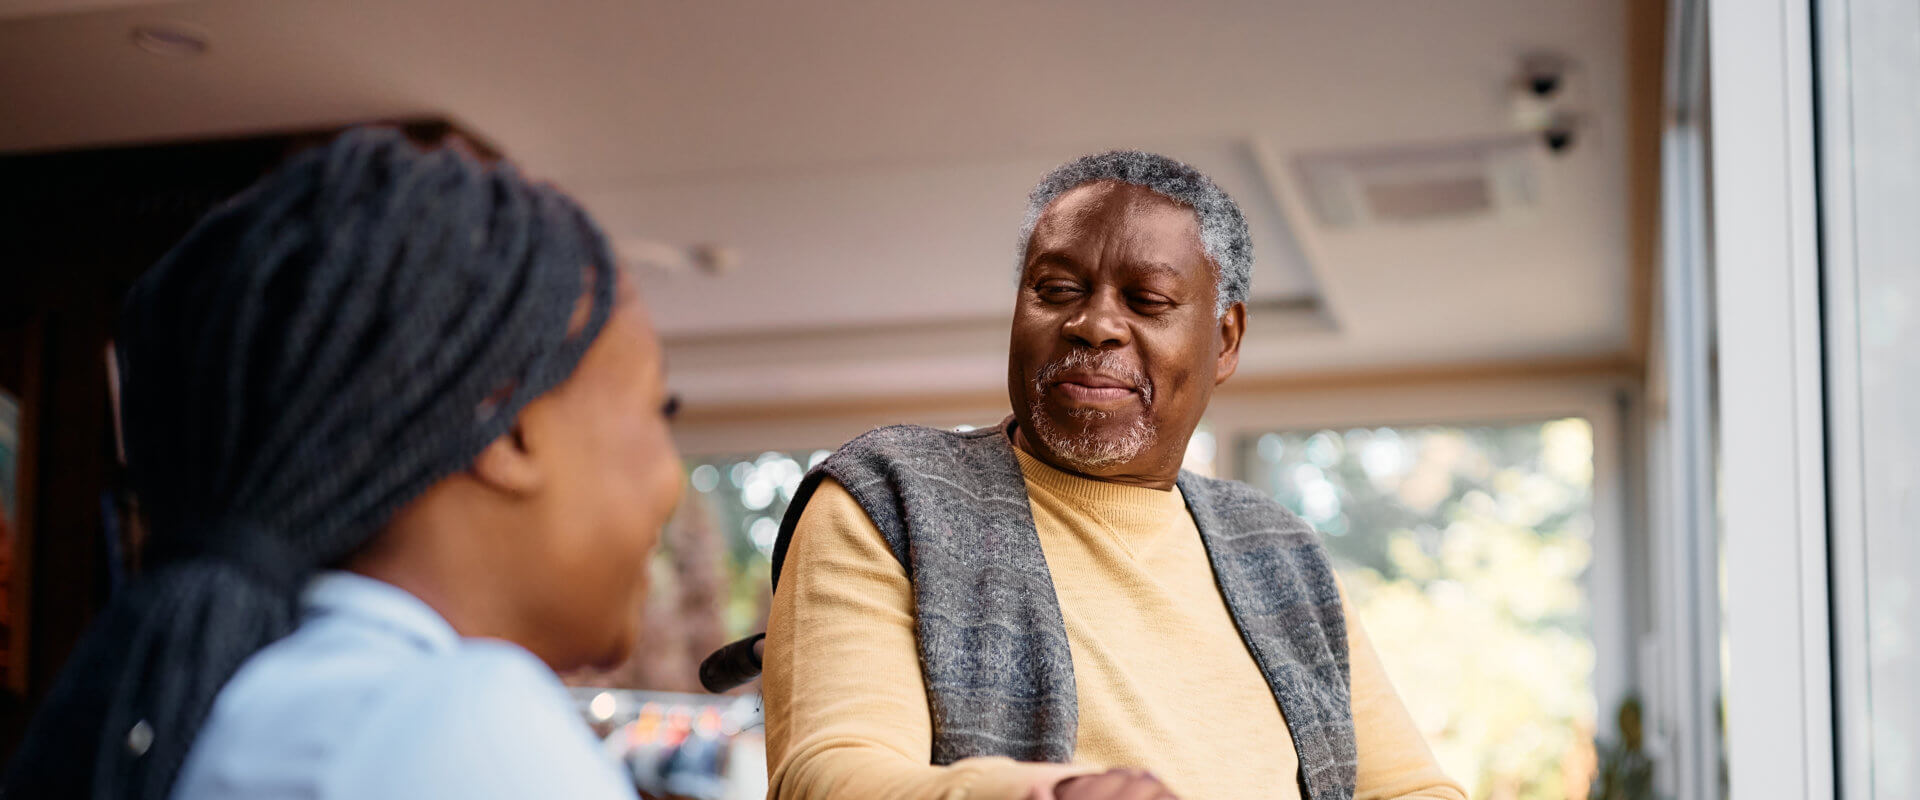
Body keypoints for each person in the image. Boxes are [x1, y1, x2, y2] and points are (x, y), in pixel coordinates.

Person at [757, 152, 1468, 800]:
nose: (1093, 324)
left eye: (1147, 301)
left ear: (1225, 340)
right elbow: (828, 777)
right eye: (1056, 288)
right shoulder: (889, 499)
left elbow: (1409, 789)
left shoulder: (1281, 554)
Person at [1, 128, 683, 800]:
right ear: (509, 432)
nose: (672, 485)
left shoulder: (235, 704)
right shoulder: (458, 726)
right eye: (658, 412)